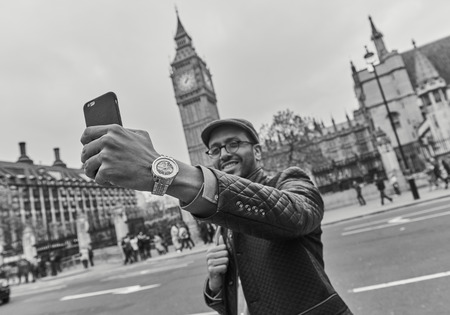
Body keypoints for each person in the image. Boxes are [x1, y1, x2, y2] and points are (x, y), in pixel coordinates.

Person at [80, 118, 352, 314]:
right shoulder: (224, 219)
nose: (224, 153)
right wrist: (214, 281)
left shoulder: (291, 181)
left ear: (257, 151)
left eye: (234, 143)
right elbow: (229, 302)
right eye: (216, 149)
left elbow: (296, 214)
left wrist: (166, 172)